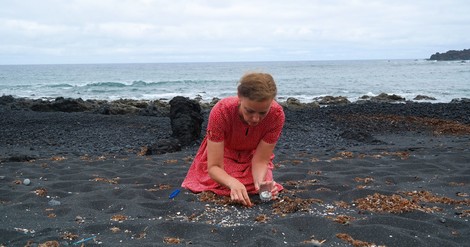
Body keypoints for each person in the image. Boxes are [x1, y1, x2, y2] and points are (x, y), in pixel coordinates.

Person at [181, 72, 285, 207]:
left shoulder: (276, 115)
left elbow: (260, 160)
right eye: (249, 111)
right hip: (223, 153)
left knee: (256, 185)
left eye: (262, 113)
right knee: (224, 181)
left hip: (252, 155)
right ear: (239, 97)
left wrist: (260, 184)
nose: (255, 119)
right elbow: (214, 167)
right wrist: (233, 183)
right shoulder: (222, 111)